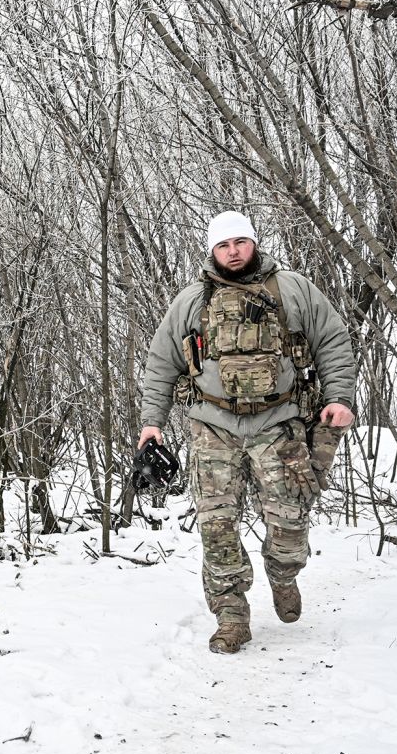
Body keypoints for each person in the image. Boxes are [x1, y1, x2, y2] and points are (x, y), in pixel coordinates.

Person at [138, 211, 356, 654]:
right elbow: (162, 363)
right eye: (223, 245)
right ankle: (232, 615)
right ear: (212, 251)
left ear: (254, 243)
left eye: (240, 242)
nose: (233, 251)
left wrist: (339, 397)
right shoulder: (192, 300)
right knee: (216, 526)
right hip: (212, 427)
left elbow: (333, 340)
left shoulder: (292, 289)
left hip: (281, 424)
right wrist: (152, 423)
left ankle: (284, 573)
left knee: (291, 522)